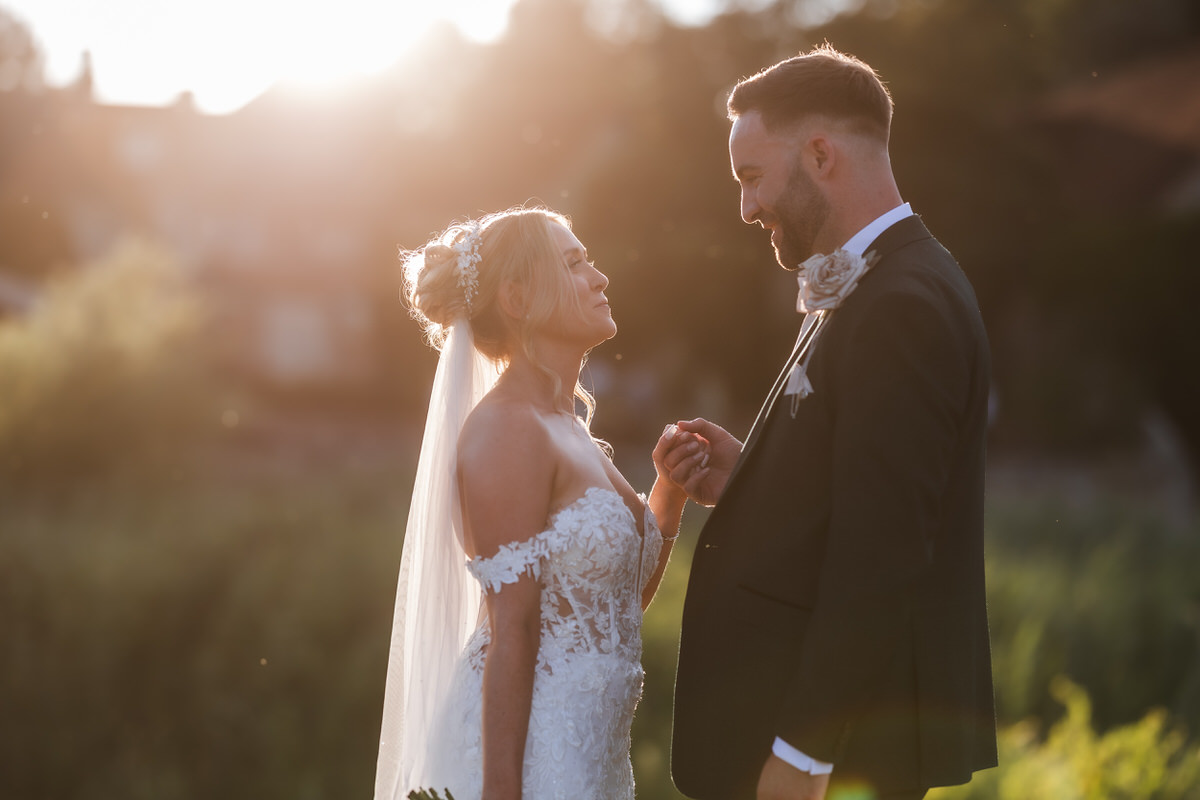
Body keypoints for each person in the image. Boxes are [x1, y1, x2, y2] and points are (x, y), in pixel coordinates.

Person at [657, 45, 998, 800]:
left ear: (820, 154)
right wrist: (753, 478)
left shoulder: (902, 303)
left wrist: (804, 755)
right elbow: (864, 490)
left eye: (751, 177)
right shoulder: (876, 282)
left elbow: (883, 556)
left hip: (834, 755)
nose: (745, 208)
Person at [374, 206, 692, 800]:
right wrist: (503, 790)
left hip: (589, 756)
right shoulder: (507, 430)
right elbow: (511, 627)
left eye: (589, 261)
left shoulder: (568, 426)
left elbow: (610, 610)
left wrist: (667, 499)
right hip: (530, 760)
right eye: (574, 264)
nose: (599, 277)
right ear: (517, 299)